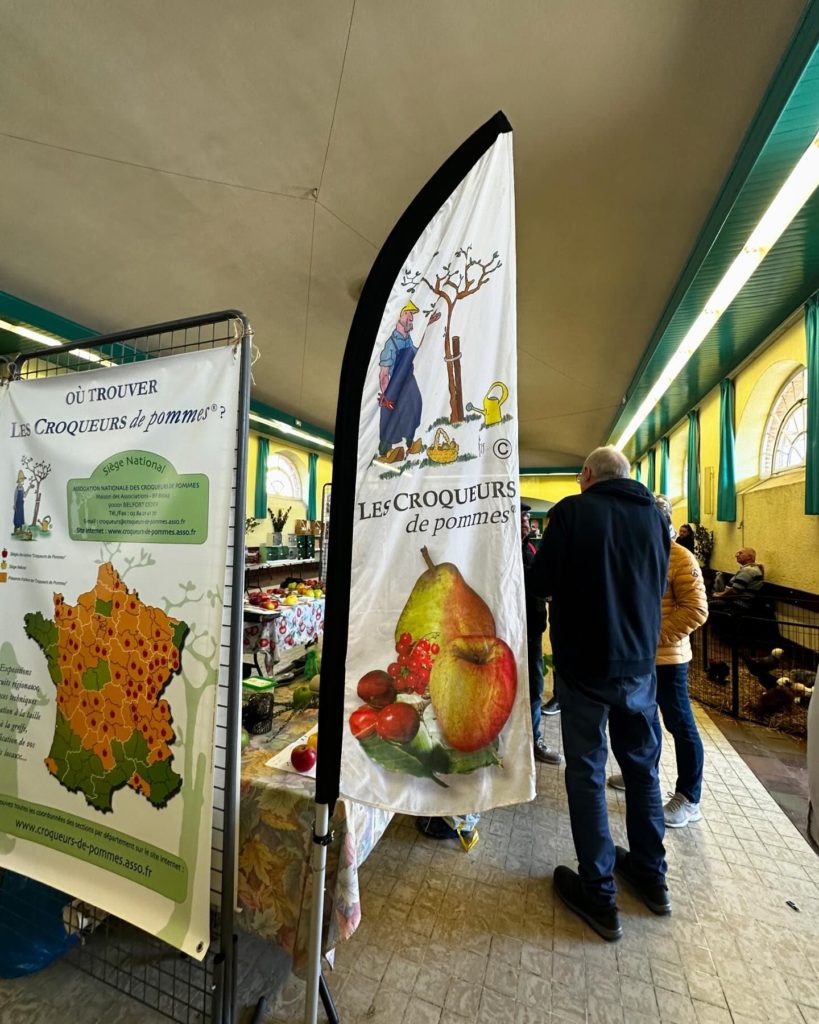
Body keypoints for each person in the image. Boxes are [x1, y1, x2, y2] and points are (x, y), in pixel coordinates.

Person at [532, 446, 670, 941]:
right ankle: (653, 877)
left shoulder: (571, 511)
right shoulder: (656, 519)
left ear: (587, 476)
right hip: (639, 666)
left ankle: (599, 892)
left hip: (585, 666)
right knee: (641, 769)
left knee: (588, 772)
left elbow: (542, 581)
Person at [608, 496, 708, 829]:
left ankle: (689, 797)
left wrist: (650, 637)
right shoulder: (640, 553)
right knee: (644, 719)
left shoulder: (681, 558)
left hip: (668, 659)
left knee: (680, 724)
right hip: (640, 658)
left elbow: (696, 610)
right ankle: (643, 777)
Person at [375, 302, 441, 465]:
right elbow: (384, 373)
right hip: (395, 386)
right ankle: (384, 452)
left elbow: (416, 349)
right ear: (399, 316)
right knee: (390, 418)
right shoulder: (391, 343)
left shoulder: (408, 338)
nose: (411, 318)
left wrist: (427, 326)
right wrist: (386, 395)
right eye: (408, 314)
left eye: (412, 315)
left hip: (409, 381)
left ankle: (410, 444)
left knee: (414, 407)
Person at [521, 504, 562, 765]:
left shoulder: (529, 548)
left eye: (526, 518)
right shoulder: (503, 551)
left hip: (533, 630)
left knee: (534, 689)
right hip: (514, 631)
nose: (526, 523)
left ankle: (533, 741)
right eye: (520, 518)